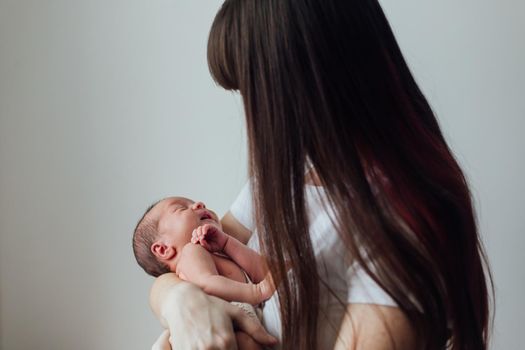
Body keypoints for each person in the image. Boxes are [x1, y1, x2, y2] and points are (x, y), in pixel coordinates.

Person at [149, 0, 494, 349]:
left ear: (293, 84)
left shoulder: (399, 227)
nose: (251, 114)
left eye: (251, 93)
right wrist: (178, 302)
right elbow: (182, 261)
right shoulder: (288, 178)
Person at [132, 196, 277, 349]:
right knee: (245, 343)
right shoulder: (191, 251)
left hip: (238, 320)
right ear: (163, 249)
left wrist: (227, 243)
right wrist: (257, 291)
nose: (199, 204)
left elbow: (266, 273)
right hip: (218, 326)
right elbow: (206, 284)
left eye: (194, 203)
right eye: (181, 208)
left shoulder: (217, 253)